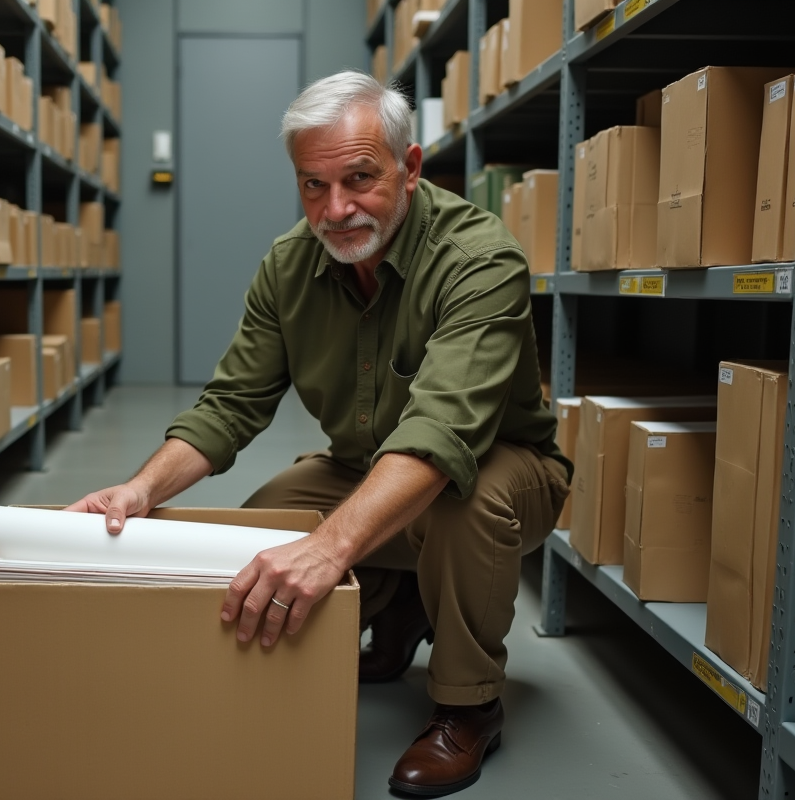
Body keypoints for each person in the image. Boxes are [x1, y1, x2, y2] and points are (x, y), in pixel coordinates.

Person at [66, 70, 571, 797]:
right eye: (313, 185)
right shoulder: (288, 266)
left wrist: (332, 547)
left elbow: (440, 434)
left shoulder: (479, 260)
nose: (335, 210)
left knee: (467, 501)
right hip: (366, 463)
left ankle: (468, 706)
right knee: (268, 518)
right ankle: (397, 606)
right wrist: (141, 489)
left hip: (503, 469)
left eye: (360, 179)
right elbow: (232, 404)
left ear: (410, 167)